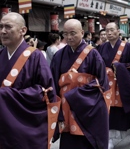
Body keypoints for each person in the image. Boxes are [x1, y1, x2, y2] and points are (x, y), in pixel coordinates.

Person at [0, 12, 58, 149]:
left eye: (8, 27)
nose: (3, 31)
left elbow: (45, 92)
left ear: (23, 30)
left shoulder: (36, 56)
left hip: (26, 126)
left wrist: (5, 95)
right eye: (1, 26)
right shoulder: (1, 55)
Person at [50, 19, 109, 149]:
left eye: (73, 33)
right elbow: (53, 83)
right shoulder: (59, 55)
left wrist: (76, 92)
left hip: (87, 108)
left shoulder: (93, 53)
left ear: (82, 33)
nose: (69, 37)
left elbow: (102, 83)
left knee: (86, 141)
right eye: (65, 34)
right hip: (66, 108)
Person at [97, 22, 130, 149]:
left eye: (111, 30)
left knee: (128, 108)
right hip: (108, 84)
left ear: (118, 31)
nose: (109, 33)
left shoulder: (127, 47)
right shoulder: (102, 47)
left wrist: (120, 67)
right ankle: (110, 138)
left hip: (123, 84)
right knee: (111, 111)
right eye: (107, 30)